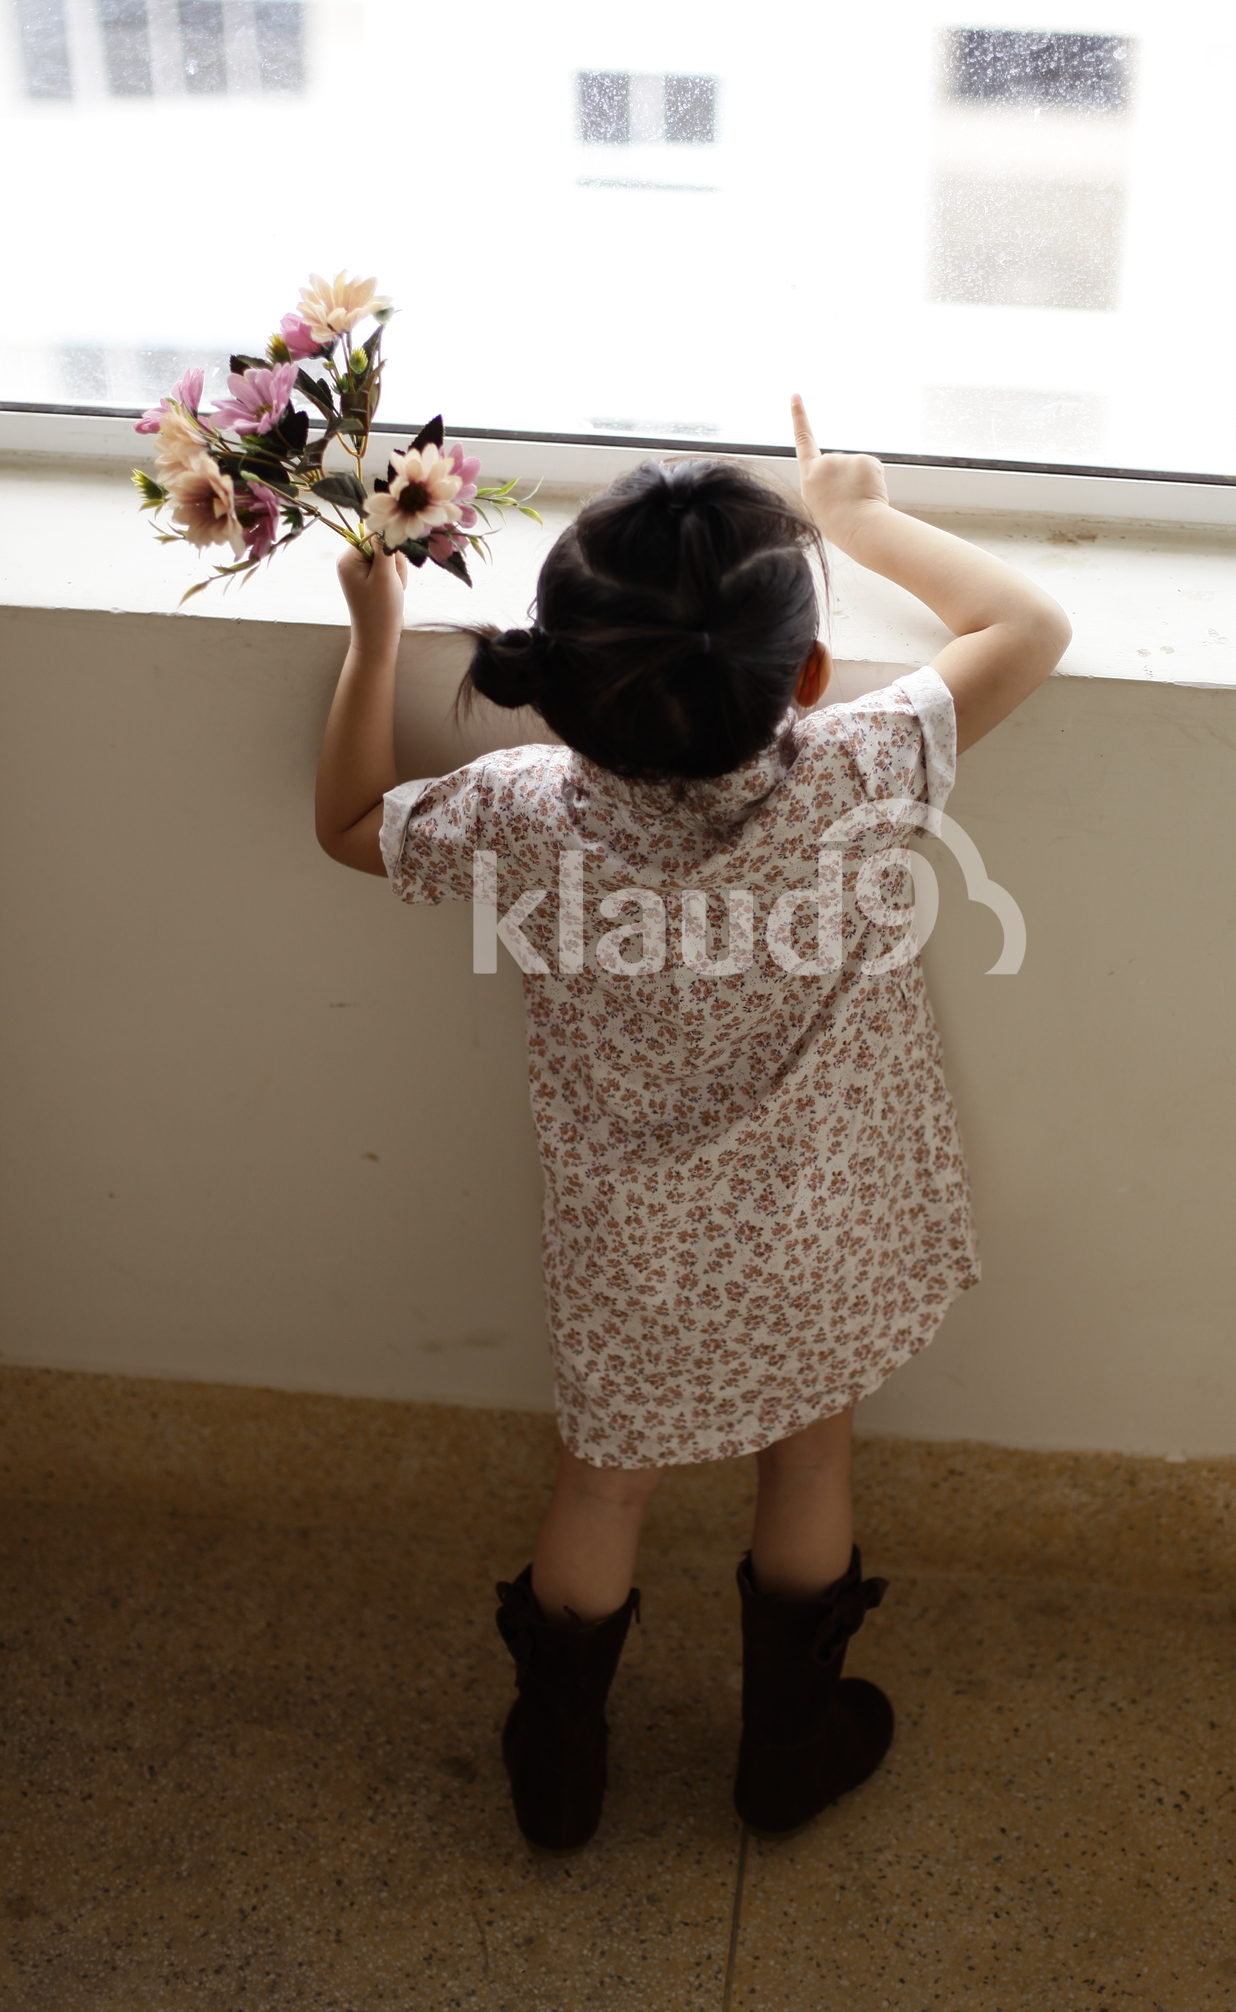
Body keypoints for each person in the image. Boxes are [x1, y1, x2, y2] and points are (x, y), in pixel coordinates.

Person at [315, 396, 1071, 1851]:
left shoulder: (527, 810)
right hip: (824, 1225)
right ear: (810, 675)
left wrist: (369, 636)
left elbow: (351, 821)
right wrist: (858, 515)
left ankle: (559, 1765)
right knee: (811, 1454)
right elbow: (1028, 625)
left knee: (602, 1480)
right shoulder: (857, 771)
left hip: (630, 1252)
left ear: (563, 687)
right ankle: (785, 1745)